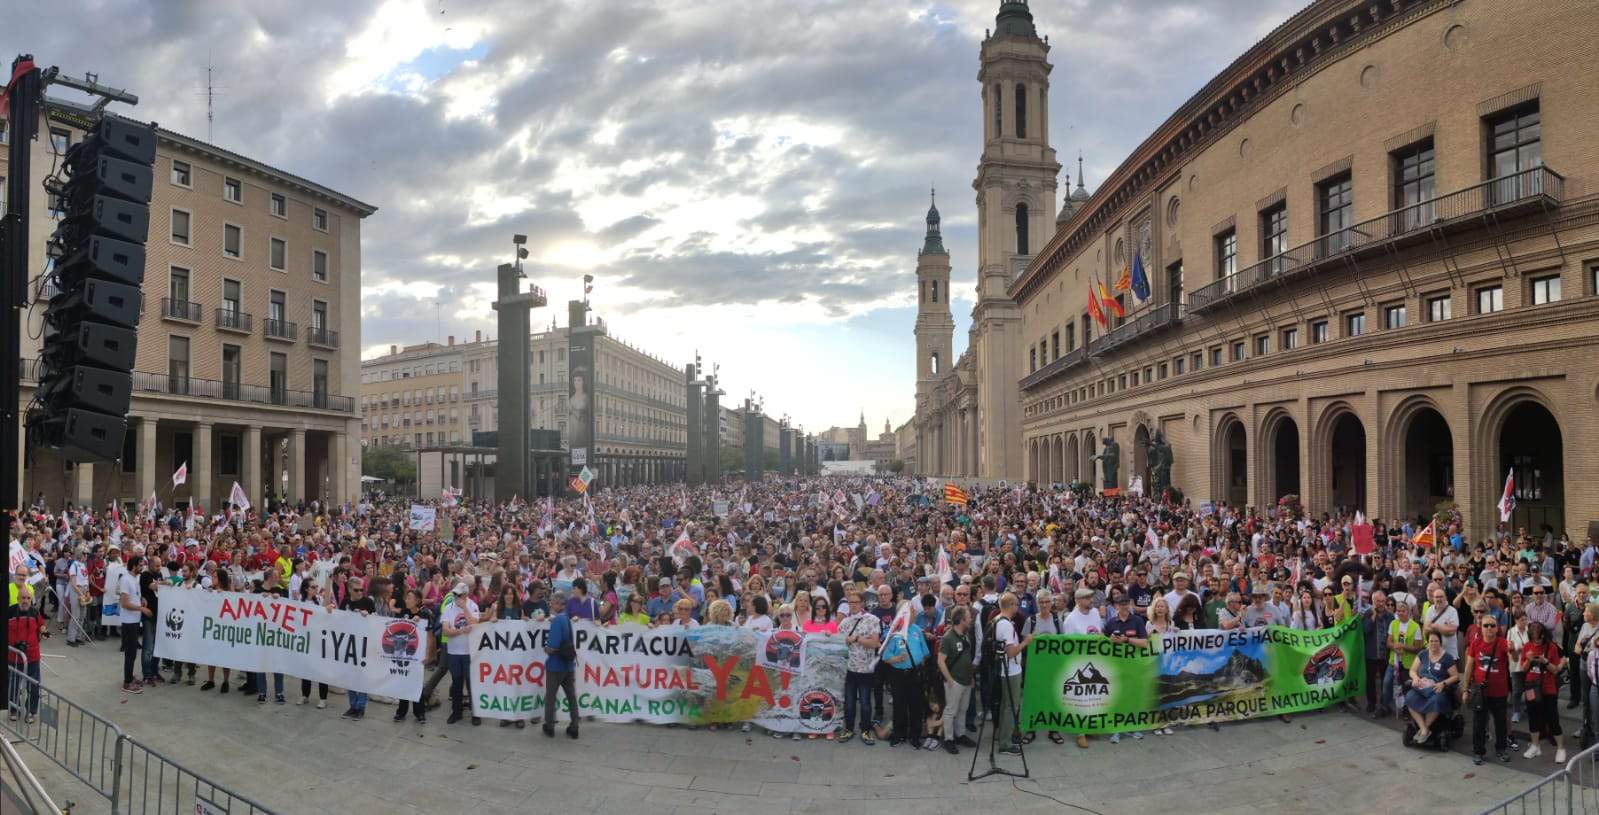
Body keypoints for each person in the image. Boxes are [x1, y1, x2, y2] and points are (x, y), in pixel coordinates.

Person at [1461, 613, 1513, 765]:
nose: (1489, 628)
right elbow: (1469, 667)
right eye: (1486, 625)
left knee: (1501, 722)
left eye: (1492, 625)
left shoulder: (1503, 643)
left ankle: (1501, 749)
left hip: (1500, 691)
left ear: (1497, 628)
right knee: (1479, 723)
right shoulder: (1475, 643)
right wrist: (1465, 689)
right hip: (1480, 691)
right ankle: (1478, 751)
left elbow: (1513, 660)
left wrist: (1513, 651)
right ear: (1481, 627)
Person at [1103, 589, 1148, 744]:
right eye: (1120, 603)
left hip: (1134, 666)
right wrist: (1109, 640)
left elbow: (1144, 643)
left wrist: (1128, 640)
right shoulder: (1111, 622)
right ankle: (1116, 729)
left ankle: (1134, 726)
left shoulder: (1137, 621)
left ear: (1129, 604)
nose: (1123, 606)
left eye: (1125, 603)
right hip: (1116, 667)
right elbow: (1102, 643)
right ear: (1116, 605)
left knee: (1133, 697)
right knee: (1117, 698)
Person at [881, 601, 927, 748]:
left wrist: (919, 666)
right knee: (899, 706)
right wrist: (897, 659)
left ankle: (915, 736)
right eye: (911, 611)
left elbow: (925, 652)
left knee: (916, 706)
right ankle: (899, 735)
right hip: (898, 675)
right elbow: (885, 657)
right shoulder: (894, 633)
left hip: (914, 673)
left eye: (914, 611)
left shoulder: (917, 630)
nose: (914, 613)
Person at [839, 587, 882, 745]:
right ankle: (848, 729)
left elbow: (875, 643)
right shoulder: (844, 622)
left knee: (865, 702)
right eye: (851, 602)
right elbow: (838, 642)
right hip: (849, 669)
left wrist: (857, 639)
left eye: (856, 602)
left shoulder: (872, 619)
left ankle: (865, 730)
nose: (854, 605)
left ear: (862, 603)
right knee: (849, 703)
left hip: (866, 669)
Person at [1520, 621, 1566, 763]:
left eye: (1539, 638)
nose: (1537, 641)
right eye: (1534, 638)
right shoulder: (1527, 646)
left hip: (1548, 688)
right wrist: (1528, 660)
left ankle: (1561, 748)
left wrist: (1545, 661)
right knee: (1533, 717)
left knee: (1552, 719)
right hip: (1531, 687)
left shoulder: (1551, 647)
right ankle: (1535, 745)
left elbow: (1556, 670)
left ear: (1543, 635)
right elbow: (1523, 669)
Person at [993, 592, 1032, 755]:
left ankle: (1003, 735)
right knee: (1011, 706)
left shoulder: (998, 620)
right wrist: (1025, 642)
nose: (1018, 607)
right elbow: (1010, 653)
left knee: (1006, 706)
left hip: (1006, 670)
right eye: (1016, 604)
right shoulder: (1006, 625)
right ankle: (1005, 743)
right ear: (1010, 605)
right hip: (1011, 671)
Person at [1404, 630, 1459, 745]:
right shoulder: (1423, 654)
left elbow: (1455, 676)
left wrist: (1443, 683)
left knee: (1436, 700)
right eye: (1431, 641)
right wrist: (1415, 678)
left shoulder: (1447, 657)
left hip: (1437, 688)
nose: (1433, 643)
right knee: (1409, 697)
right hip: (1422, 687)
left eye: (1436, 641)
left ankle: (1424, 729)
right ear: (1427, 642)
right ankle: (1424, 729)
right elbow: (1412, 670)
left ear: (1440, 642)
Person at [937, 605, 976, 755]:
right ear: (962, 620)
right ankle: (948, 739)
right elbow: (941, 661)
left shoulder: (965, 635)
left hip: (966, 680)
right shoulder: (948, 638)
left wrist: (971, 677)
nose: (971, 619)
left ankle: (960, 735)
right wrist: (949, 680)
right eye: (969, 617)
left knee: (963, 709)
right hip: (954, 681)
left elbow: (967, 657)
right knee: (951, 710)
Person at [542, 591, 579, 739]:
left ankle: (549, 726)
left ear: (558, 603)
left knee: (550, 697)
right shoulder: (566, 619)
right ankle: (574, 726)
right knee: (571, 696)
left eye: (552, 601)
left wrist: (546, 649)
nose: (550, 604)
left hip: (556, 666)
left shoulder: (558, 620)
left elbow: (553, 647)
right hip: (568, 665)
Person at [442, 581, 480, 726]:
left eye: (458, 594)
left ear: (465, 595)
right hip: (453, 651)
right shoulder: (449, 607)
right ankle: (456, 711)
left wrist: (464, 608)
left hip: (469, 651)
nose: (455, 597)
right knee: (457, 682)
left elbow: (474, 625)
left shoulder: (473, 606)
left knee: (471, 683)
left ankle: (476, 712)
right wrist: (461, 631)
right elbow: (446, 631)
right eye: (454, 594)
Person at [392, 588, 431, 725]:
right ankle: (401, 712)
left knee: (417, 683)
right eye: (406, 597)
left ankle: (419, 712)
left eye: (409, 598)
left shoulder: (424, 614)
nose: (406, 600)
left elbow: (429, 636)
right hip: (403, 654)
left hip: (417, 654)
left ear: (417, 601)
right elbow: (397, 629)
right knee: (403, 681)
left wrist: (427, 654)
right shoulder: (403, 612)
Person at [7, 586, 42, 722]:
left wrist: (44, 631)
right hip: (13, 656)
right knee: (13, 685)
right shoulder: (9, 612)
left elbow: (41, 626)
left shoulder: (35, 612)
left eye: (28, 598)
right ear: (17, 599)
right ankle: (13, 709)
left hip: (32, 656)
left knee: (34, 685)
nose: (25, 601)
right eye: (23, 598)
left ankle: (31, 711)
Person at [117, 554, 148, 694]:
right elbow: (124, 603)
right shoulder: (125, 579)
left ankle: (130, 677)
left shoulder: (135, 578)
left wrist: (142, 599)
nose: (142, 567)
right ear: (134, 566)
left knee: (133, 652)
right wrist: (142, 609)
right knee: (130, 653)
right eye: (140, 565)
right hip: (129, 621)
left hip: (134, 620)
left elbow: (134, 596)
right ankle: (127, 683)